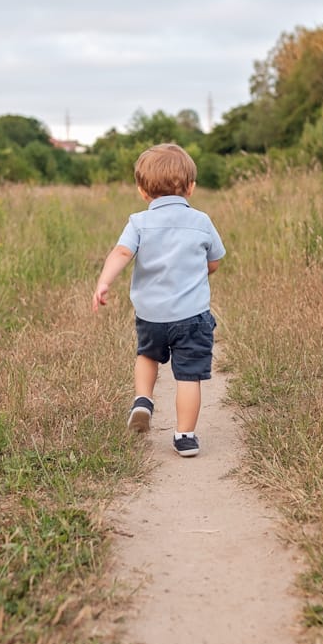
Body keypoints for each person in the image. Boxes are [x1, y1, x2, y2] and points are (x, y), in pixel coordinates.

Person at [92, 143, 225, 457]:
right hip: (191, 316)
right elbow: (215, 261)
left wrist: (104, 281)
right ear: (191, 187)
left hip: (151, 314)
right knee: (189, 375)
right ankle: (185, 436)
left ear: (142, 191)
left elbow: (122, 252)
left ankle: (143, 399)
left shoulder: (139, 222)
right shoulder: (202, 221)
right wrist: (198, 273)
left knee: (147, 356)